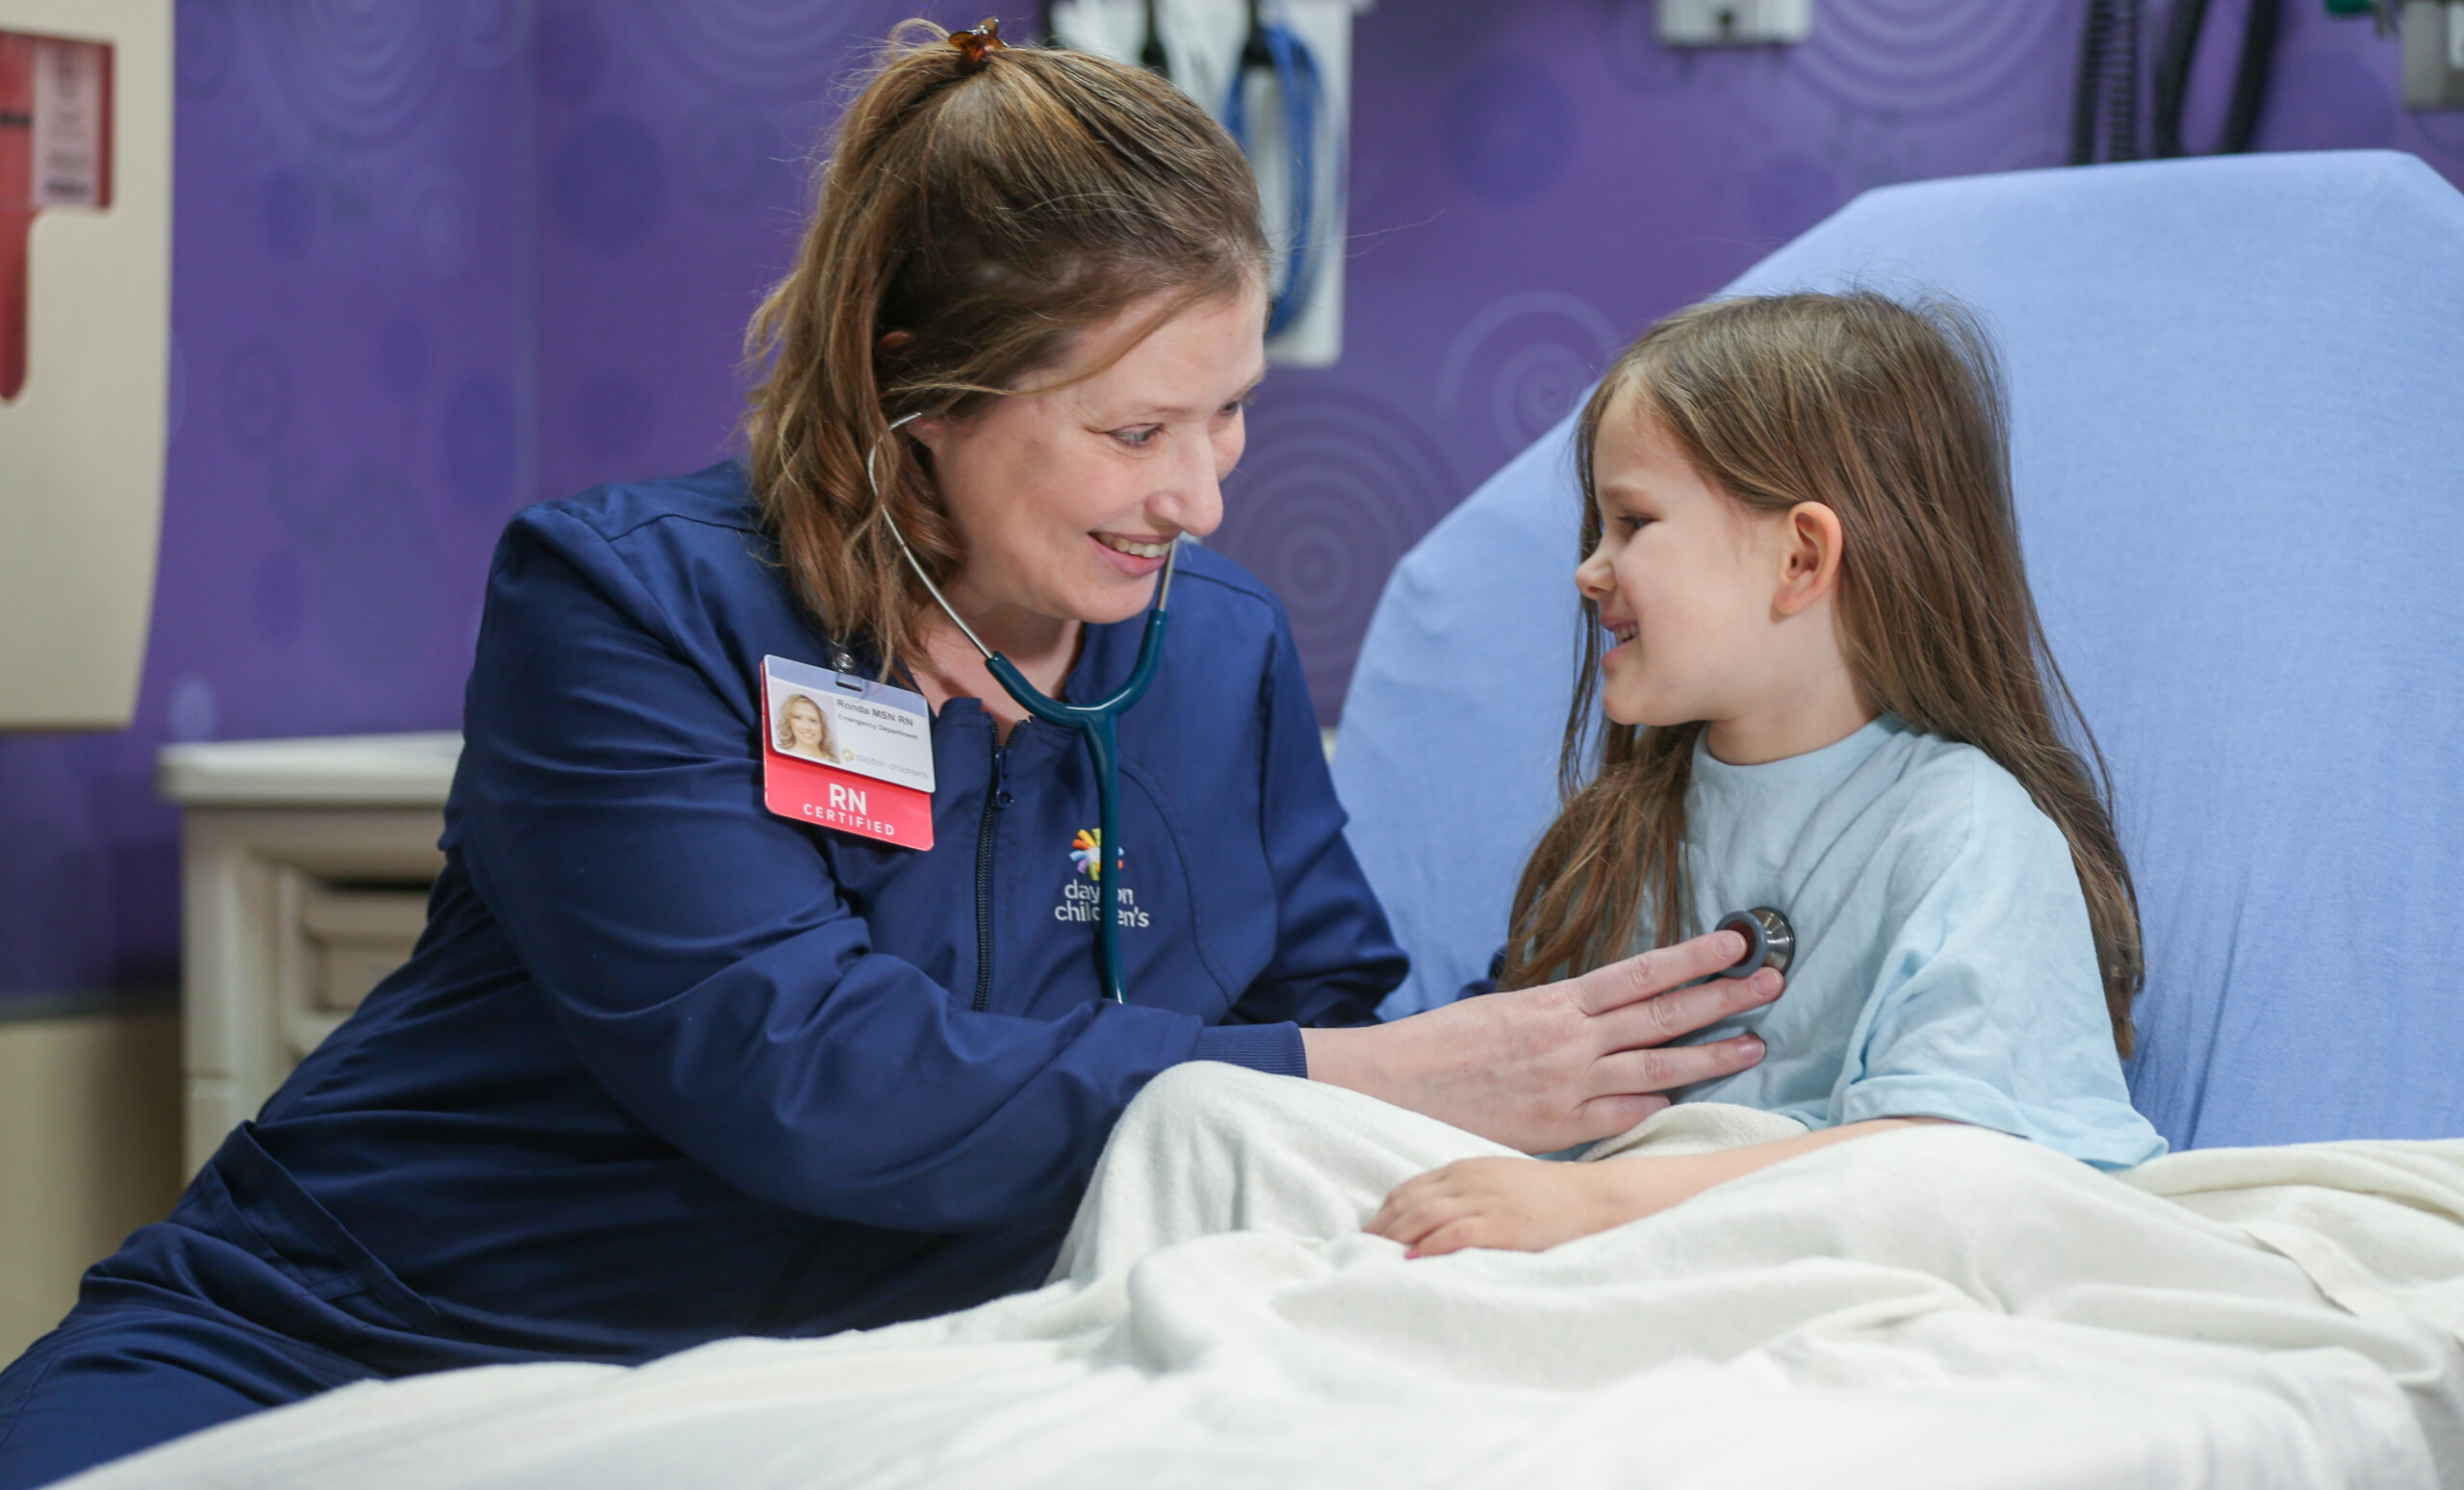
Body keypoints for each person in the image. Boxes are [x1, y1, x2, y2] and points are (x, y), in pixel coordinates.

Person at [0, 22, 1777, 1486]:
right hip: (385, 1325)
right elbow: (804, 1072)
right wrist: (1382, 1074)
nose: (1205, 491)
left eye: (1234, 410)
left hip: (860, 1379)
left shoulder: (1208, 642)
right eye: (1134, 428)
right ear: (916, 394)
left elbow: (1322, 1013)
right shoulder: (632, 607)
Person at [1367, 292, 2167, 1258]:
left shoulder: (1963, 830)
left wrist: (1597, 1208)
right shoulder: (1621, 837)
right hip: (1595, 1257)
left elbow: (1961, 1165)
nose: (1589, 570)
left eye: (1630, 522)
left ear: (1799, 557)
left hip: (1800, 1266)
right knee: (1202, 1111)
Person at [775, 691, 836, 761]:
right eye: (798, 717)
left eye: (813, 720)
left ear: (822, 726)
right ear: (788, 722)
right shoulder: (776, 752)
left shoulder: (835, 762)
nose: (807, 727)